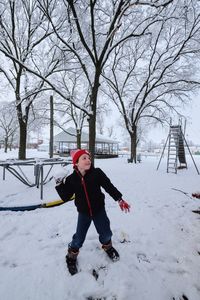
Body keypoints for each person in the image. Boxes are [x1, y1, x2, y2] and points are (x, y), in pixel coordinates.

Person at [55, 149, 130, 275]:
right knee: (79, 237)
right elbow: (66, 196)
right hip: (83, 213)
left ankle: (108, 247)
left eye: (88, 158)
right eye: (84, 158)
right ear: (76, 163)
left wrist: (119, 199)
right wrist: (59, 184)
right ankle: (71, 256)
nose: (88, 160)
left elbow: (109, 186)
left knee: (106, 233)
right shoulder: (72, 179)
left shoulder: (97, 173)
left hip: (98, 210)